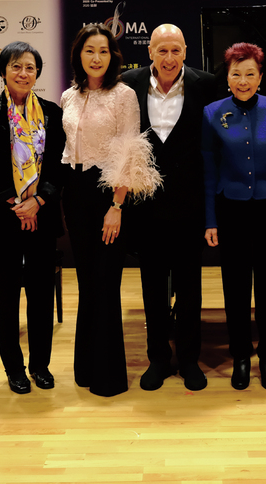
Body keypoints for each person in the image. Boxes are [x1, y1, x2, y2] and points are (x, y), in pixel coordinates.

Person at [61, 24, 161, 398]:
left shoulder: (124, 95)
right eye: (90, 51)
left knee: (106, 284)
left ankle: (109, 377)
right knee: (87, 284)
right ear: (79, 55)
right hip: (75, 193)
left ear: (113, 56)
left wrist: (117, 205)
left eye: (103, 51)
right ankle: (85, 367)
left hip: (108, 194)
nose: (96, 58)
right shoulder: (68, 96)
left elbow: (130, 153)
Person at [121, 23, 217, 392]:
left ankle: (190, 359)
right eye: (162, 50)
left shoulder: (206, 85)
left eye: (175, 50)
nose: (169, 58)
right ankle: (158, 358)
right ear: (149, 52)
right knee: (152, 288)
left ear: (186, 51)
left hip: (190, 206)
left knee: (192, 288)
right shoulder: (127, 84)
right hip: (146, 208)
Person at [202, 42, 266, 391]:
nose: (242, 81)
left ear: (260, 76)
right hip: (231, 209)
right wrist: (210, 220)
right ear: (227, 77)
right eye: (235, 74)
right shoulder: (212, 113)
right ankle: (241, 355)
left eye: (249, 74)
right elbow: (209, 171)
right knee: (235, 286)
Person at [0, 42, 64, 394]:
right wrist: (14, 203)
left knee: (41, 293)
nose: (23, 73)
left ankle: (40, 365)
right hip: (4, 216)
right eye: (16, 67)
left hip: (41, 214)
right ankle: (14, 368)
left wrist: (38, 200)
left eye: (30, 67)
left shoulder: (53, 114)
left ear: (37, 73)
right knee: (6, 294)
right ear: (2, 72)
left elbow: (59, 167)